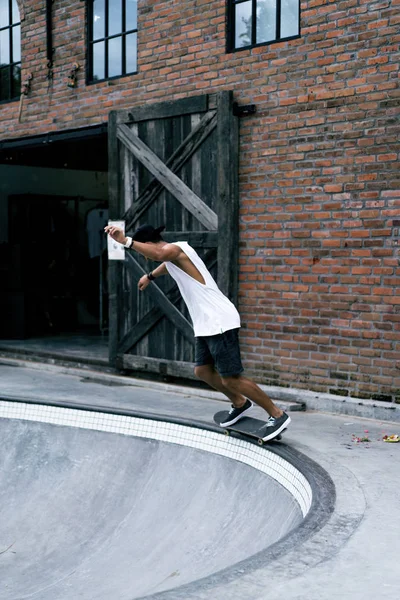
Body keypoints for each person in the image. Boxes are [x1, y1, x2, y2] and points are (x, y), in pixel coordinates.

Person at [105, 223, 291, 441]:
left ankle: (277, 415)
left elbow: (159, 254)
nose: (146, 256)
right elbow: (164, 263)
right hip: (207, 324)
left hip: (219, 320)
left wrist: (125, 241)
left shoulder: (174, 248)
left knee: (231, 378)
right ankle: (240, 403)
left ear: (147, 243)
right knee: (202, 371)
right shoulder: (174, 256)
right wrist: (150, 276)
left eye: (143, 251)